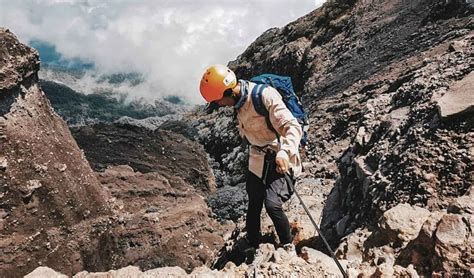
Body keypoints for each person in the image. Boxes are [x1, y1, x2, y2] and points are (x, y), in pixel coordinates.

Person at [199, 64, 302, 247]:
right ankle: (252, 240)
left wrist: (285, 153)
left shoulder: (264, 95)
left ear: (229, 92)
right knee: (254, 199)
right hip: (258, 157)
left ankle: (287, 245)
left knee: (272, 204)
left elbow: (292, 127)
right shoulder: (238, 102)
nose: (218, 105)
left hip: (278, 156)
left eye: (218, 101)